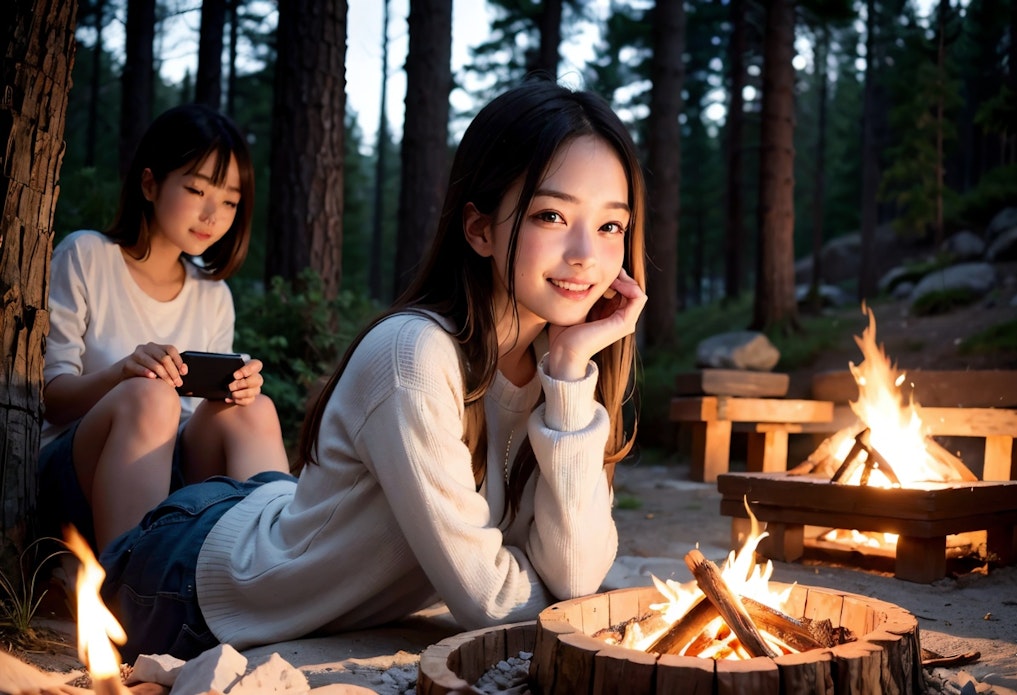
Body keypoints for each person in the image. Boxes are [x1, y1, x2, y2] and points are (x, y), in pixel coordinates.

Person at [99, 77, 648, 662]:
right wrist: (562, 593)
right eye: (552, 216)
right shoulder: (414, 354)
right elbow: (495, 603)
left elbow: (578, 575)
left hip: (264, 518)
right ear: (480, 229)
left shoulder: (557, 364)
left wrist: (567, 375)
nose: (587, 254)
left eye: (611, 225)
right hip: (186, 583)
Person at [38, 103, 290, 553]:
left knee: (255, 409)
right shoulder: (86, 256)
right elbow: (50, 400)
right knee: (151, 395)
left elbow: (198, 420)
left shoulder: (212, 295)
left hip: (169, 479)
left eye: (230, 201)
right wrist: (122, 374)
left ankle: (273, 571)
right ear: (150, 184)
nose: (213, 214)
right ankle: (132, 587)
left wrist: (234, 393)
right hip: (75, 473)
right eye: (197, 190)